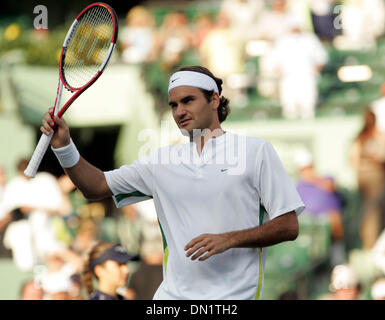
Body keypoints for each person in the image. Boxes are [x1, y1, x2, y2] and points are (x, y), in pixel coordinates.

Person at [40, 65, 305, 300]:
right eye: (174, 105)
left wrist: (230, 239)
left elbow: (288, 225)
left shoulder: (256, 151)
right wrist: (64, 145)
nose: (179, 111)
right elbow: (95, 186)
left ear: (214, 100)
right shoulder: (160, 162)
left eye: (188, 100)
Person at [349, 108, 385, 249]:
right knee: (372, 212)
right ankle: (371, 244)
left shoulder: (361, 137)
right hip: (374, 177)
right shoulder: (373, 137)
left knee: (369, 211)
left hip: (364, 176)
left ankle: (369, 243)